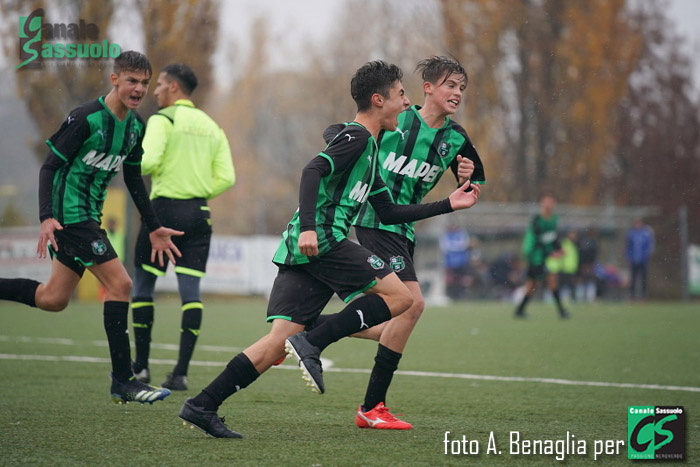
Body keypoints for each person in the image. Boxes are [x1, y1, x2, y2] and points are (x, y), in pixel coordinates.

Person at [178, 60, 481, 438]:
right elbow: (312, 171)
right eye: (401, 95)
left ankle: (203, 404)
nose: (407, 103)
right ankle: (313, 342)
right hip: (323, 240)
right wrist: (309, 228)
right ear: (379, 100)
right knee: (402, 298)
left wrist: (448, 204)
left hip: (305, 249)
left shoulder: (371, 151)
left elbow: (389, 211)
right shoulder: (358, 138)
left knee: (277, 344)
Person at [0, 51, 183, 404]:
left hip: (88, 219)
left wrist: (154, 226)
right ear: (114, 79)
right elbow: (50, 167)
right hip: (70, 217)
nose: (139, 89)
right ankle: (123, 380)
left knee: (53, 299)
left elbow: (133, 178)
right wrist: (45, 216)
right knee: (121, 284)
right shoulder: (86, 118)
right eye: (132, 81)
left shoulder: (135, 126)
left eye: (145, 83)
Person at [320, 56, 485, 429]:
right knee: (412, 305)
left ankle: (311, 326)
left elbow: (473, 186)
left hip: (404, 230)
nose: (457, 93)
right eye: (450, 85)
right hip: (374, 220)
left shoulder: (456, 138)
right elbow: (336, 132)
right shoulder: (397, 118)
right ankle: (371, 406)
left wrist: (466, 176)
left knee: (394, 316)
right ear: (428, 88)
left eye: (462, 88)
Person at [130, 63, 235, 391]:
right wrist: (198, 190)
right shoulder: (212, 126)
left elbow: (148, 161)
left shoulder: (163, 119)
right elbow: (227, 177)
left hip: (162, 212)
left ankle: (141, 368)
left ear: (174, 87)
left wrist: (126, 157)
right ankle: (180, 373)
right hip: (198, 212)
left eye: (160, 84)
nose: (156, 91)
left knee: (143, 285)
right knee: (191, 293)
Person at [514, 193, 570, 319]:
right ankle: (562, 311)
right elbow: (537, 240)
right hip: (536, 257)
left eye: (551, 202)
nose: (548, 205)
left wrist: (559, 249)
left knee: (532, 285)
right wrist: (552, 253)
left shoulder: (554, 219)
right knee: (551, 279)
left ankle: (520, 310)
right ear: (542, 204)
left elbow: (553, 238)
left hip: (543, 257)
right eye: (546, 202)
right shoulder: (537, 219)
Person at [626, 218, 654, 301]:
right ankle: (632, 297)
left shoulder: (646, 234)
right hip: (633, 260)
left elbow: (649, 246)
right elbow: (629, 246)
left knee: (643, 279)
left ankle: (643, 297)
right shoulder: (631, 234)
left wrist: (646, 256)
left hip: (643, 261)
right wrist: (628, 256)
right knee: (633, 279)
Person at [576, 227, 598, 302]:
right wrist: (588, 263)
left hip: (585, 264)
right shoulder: (591, 242)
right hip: (587, 264)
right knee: (587, 280)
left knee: (584, 280)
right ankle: (587, 298)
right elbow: (591, 254)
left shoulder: (584, 241)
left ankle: (584, 297)